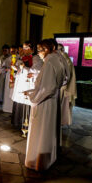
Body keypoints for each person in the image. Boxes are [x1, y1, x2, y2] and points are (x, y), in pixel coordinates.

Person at [24, 39, 66, 171]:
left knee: (41, 132)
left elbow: (47, 89)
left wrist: (32, 97)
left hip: (44, 103)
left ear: (46, 49)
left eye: (39, 50)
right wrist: (33, 91)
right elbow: (61, 81)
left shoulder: (49, 63)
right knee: (48, 131)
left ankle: (37, 161)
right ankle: (47, 159)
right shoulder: (58, 60)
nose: (39, 53)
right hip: (52, 102)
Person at [58, 43, 77, 126]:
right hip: (63, 85)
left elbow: (66, 75)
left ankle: (61, 122)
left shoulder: (65, 58)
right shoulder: (63, 58)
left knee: (63, 106)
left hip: (64, 86)